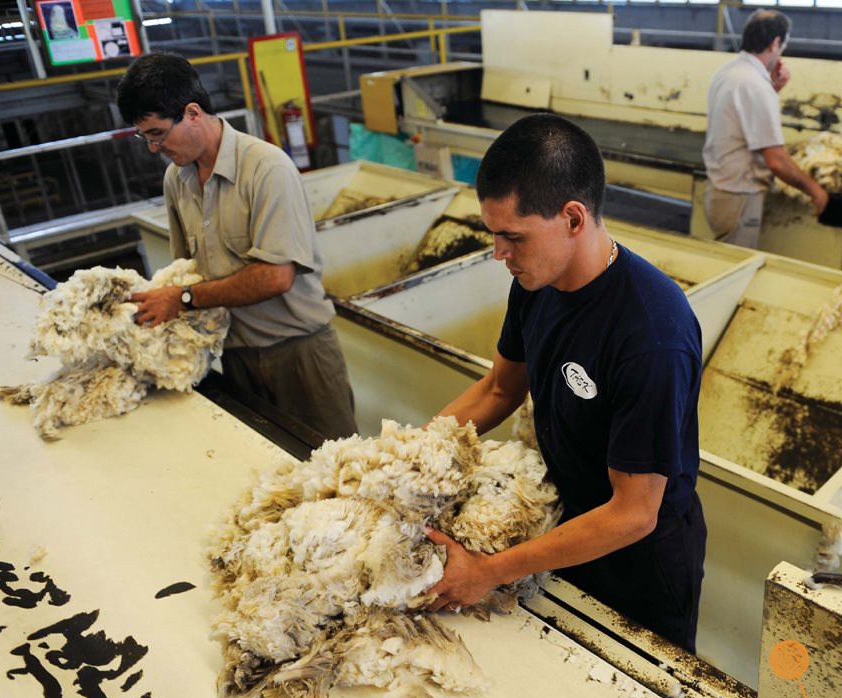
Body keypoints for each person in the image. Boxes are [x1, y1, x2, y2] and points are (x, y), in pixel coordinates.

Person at [425, 114, 706, 653]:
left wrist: (489, 570)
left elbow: (632, 513)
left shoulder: (651, 333)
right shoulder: (536, 281)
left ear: (573, 218)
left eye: (513, 237)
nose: (498, 253)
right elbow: (498, 391)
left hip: (637, 565)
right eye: (494, 235)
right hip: (565, 529)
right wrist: (405, 459)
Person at [116, 53, 357, 442]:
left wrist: (182, 299)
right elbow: (186, 269)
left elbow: (276, 277)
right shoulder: (177, 181)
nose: (152, 147)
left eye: (158, 133)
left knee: (338, 471)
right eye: (144, 136)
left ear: (192, 113)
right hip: (235, 356)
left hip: (299, 356)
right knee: (274, 473)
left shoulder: (266, 170)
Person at [702, 9, 828, 249]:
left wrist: (773, 89)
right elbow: (776, 160)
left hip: (721, 191)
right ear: (775, 43)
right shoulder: (755, 86)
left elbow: (744, 118)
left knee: (725, 258)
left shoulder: (728, 72)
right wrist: (815, 190)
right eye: (783, 45)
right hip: (739, 197)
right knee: (736, 269)